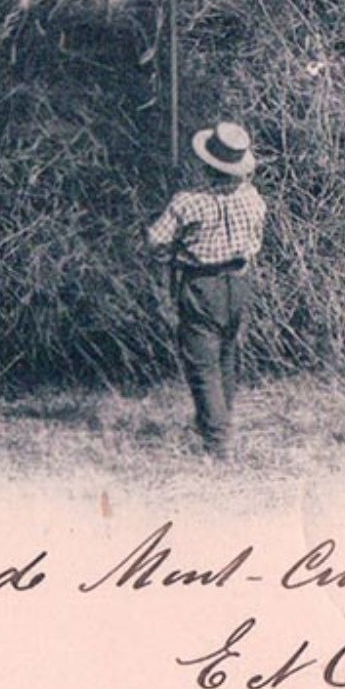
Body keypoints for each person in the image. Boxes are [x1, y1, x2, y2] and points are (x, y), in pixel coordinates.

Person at [147, 122, 267, 459]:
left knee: (202, 363)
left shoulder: (188, 202)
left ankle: (216, 442)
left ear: (207, 164)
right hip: (239, 281)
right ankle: (217, 423)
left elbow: (155, 240)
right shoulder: (253, 197)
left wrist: (170, 255)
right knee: (226, 354)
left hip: (202, 284)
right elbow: (255, 241)